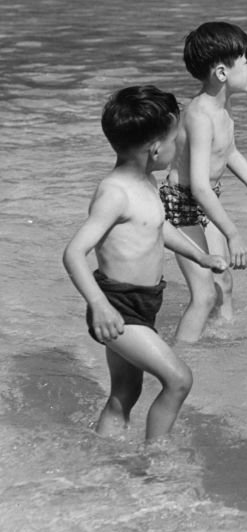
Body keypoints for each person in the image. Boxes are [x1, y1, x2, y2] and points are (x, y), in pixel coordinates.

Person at [63, 86, 228, 442]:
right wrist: (100, 306)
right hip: (117, 307)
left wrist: (198, 255)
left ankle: (103, 456)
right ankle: (154, 458)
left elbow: (157, 226)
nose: (178, 146)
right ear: (155, 149)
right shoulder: (115, 192)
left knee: (126, 393)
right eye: (174, 139)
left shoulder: (147, 181)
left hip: (142, 302)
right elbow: (74, 253)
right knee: (179, 379)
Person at [161, 21, 247, 343]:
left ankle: (223, 345)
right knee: (203, 296)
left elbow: (228, 151)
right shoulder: (200, 115)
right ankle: (181, 361)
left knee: (223, 283)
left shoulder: (222, 106)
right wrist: (233, 234)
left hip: (205, 200)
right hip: (183, 206)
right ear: (222, 73)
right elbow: (198, 186)